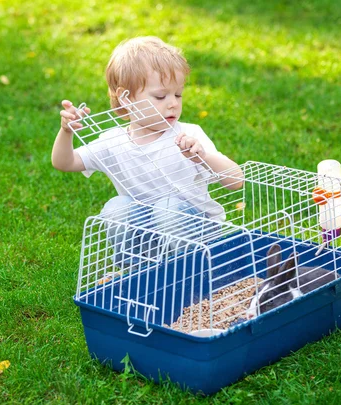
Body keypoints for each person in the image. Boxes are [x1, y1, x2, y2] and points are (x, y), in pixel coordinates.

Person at [52, 36, 243, 267]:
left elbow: (236, 181)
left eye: (178, 94)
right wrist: (66, 132)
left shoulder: (189, 135)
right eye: (161, 96)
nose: (173, 103)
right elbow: (65, 163)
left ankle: (191, 271)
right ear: (127, 98)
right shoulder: (114, 142)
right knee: (116, 208)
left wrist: (203, 156)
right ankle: (139, 273)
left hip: (196, 233)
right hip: (148, 235)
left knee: (168, 207)